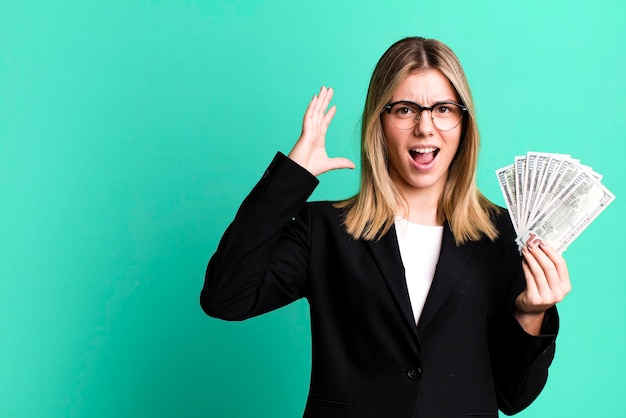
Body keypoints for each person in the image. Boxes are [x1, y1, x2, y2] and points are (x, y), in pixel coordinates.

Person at [200, 37, 571, 417]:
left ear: (463, 123)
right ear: (380, 120)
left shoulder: (501, 235)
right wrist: (290, 177)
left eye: (443, 108)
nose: (425, 127)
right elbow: (226, 297)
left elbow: (513, 398)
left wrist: (530, 315)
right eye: (405, 109)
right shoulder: (324, 229)